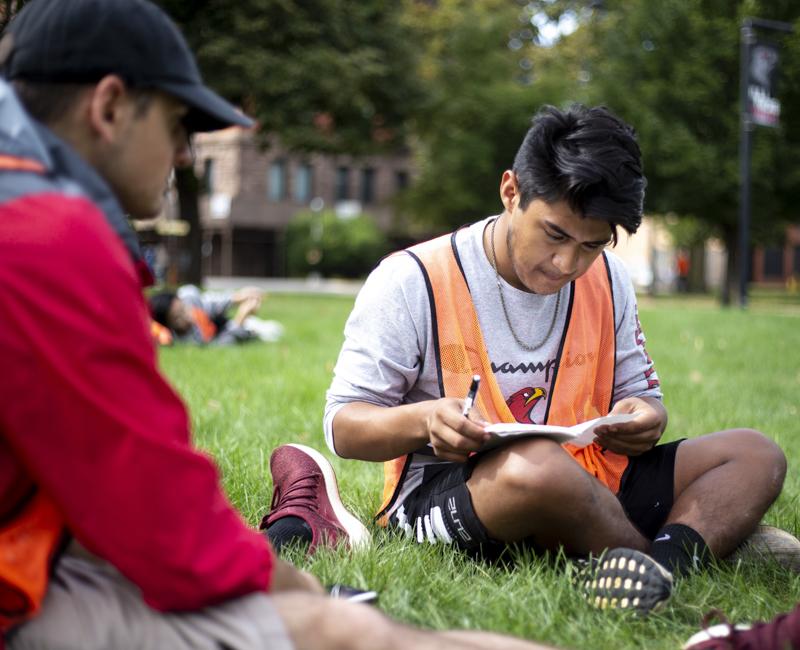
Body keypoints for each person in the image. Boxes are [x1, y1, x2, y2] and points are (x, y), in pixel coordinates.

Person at [0, 1, 558, 649]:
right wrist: (317, 601)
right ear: (110, 107)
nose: (184, 154)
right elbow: (165, 525)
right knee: (348, 634)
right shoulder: (49, 238)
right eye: (179, 123)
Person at [316, 104, 794, 615]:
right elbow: (343, 426)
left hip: (591, 476)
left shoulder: (608, 277)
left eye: (592, 245)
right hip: (462, 494)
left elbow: (640, 394)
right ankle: (674, 554)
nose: (568, 264)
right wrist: (425, 418)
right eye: (555, 235)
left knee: (755, 453)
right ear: (511, 191)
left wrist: (644, 416)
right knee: (537, 471)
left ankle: (659, 565)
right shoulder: (410, 278)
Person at [149, 284, 284, 345]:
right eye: (178, 318)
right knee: (267, 333)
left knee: (275, 329)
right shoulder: (187, 341)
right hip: (232, 331)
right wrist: (242, 316)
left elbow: (211, 302)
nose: (187, 316)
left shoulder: (189, 298)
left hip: (225, 324)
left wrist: (239, 297)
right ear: (169, 327)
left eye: (183, 309)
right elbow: (223, 343)